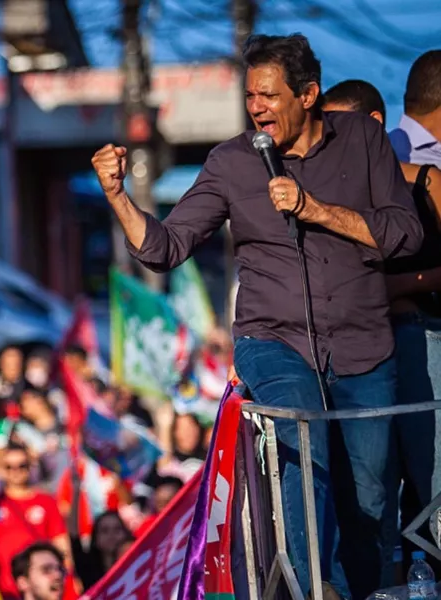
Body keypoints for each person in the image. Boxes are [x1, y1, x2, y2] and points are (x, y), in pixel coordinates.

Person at [91, 33, 423, 599]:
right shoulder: (231, 162)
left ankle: (360, 588)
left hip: (365, 347)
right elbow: (164, 248)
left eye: (269, 95)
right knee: (301, 432)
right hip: (273, 341)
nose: (257, 107)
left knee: (368, 499)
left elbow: (405, 235)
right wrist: (118, 195)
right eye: (250, 96)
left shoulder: (364, 140)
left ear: (309, 94)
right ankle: (317, 590)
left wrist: (316, 210)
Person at [324, 75, 441, 584]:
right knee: (366, 496)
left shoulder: (425, 181)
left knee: (432, 484)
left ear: (372, 125)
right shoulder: (321, 195)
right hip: (350, 354)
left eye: (336, 127)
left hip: (416, 341)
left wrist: (389, 290)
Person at [0, 444, 69, 600]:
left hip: (39, 589)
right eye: (9, 467)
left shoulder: (47, 501)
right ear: (1, 470)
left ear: (30, 467)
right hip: (0, 588)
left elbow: (61, 545)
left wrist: (68, 578)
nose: (15, 471)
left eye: (21, 466)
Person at [72, 512, 132, 589]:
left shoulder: (137, 565)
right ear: (95, 539)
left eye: (117, 529)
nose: (111, 535)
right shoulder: (88, 570)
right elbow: (73, 536)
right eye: (104, 530)